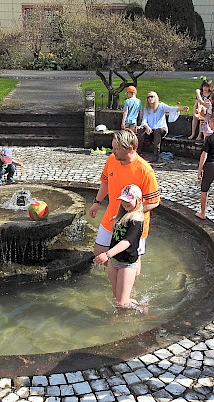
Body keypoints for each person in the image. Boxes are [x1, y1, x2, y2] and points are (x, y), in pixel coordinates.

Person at [89, 130, 160, 276]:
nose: (113, 152)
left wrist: (129, 216)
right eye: (113, 147)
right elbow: (105, 182)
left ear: (131, 148)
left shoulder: (145, 171)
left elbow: (154, 202)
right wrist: (97, 202)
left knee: (132, 259)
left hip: (133, 224)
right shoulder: (111, 160)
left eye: (117, 148)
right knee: (99, 250)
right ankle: (116, 277)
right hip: (111, 216)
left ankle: (129, 287)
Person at [94, 184, 144, 309]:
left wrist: (107, 254)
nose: (125, 203)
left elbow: (127, 242)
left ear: (138, 200)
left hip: (126, 263)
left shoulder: (136, 220)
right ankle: (120, 316)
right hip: (114, 261)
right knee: (117, 299)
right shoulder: (123, 215)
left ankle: (142, 309)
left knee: (122, 303)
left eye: (128, 200)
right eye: (123, 200)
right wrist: (116, 219)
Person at [138, 91, 189, 163]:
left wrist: (181, 108)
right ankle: (139, 150)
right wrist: (147, 127)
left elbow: (171, 109)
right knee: (141, 129)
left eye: (152, 96)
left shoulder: (161, 106)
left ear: (155, 98)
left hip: (161, 129)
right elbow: (144, 121)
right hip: (151, 130)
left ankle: (156, 155)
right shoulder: (146, 109)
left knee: (157, 131)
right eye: (148, 97)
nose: (150, 98)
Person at [196, 113, 214, 220]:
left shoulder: (209, 138)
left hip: (210, 165)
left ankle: (202, 213)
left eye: (210, 122)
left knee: (204, 189)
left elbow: (204, 155)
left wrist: (200, 169)